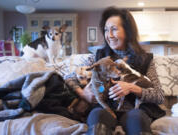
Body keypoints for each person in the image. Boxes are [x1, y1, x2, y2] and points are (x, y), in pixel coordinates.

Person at [65, 7, 165, 135]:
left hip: (135, 111)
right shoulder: (98, 57)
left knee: (136, 119)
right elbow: (69, 77)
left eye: (114, 29)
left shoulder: (145, 59)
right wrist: (83, 93)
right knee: (97, 116)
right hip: (105, 109)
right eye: (106, 30)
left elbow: (159, 96)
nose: (109, 35)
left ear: (128, 31)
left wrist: (132, 88)